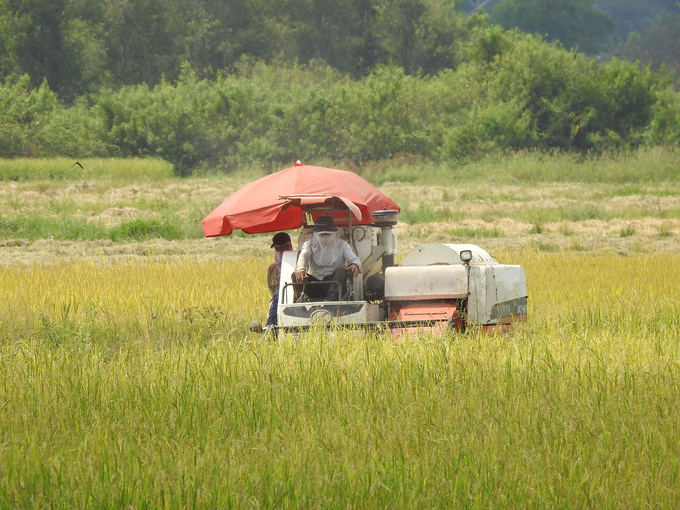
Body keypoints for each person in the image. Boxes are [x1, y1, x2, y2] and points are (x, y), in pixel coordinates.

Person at [295, 216, 361, 301]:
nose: (325, 237)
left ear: (333, 233)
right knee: (295, 275)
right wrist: (301, 269)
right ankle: (300, 300)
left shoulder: (342, 245)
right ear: (315, 234)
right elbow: (304, 255)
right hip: (314, 285)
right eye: (322, 235)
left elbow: (354, 259)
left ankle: (331, 301)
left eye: (328, 234)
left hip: (336, 285)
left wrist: (354, 265)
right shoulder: (308, 245)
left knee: (341, 270)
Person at [266, 232, 293, 328]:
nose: (280, 252)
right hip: (278, 308)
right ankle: (270, 328)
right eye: (277, 249)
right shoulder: (272, 269)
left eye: (283, 248)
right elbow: (272, 293)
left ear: (289, 246)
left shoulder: (300, 264)